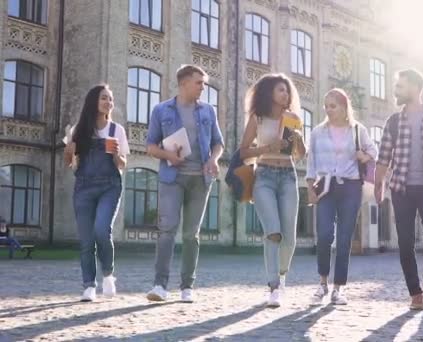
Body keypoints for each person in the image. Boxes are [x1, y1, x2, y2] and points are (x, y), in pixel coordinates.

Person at [374, 69, 423, 310]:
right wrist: (378, 185)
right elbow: (383, 157)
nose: (396, 90)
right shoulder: (394, 121)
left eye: (401, 86)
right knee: (406, 243)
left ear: (415, 88)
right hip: (401, 189)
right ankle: (415, 294)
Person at [145, 65, 224, 303]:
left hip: (200, 179)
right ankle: (160, 286)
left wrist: (213, 158)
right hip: (172, 178)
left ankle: (187, 286)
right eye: (199, 82)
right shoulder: (161, 110)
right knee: (167, 231)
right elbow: (150, 147)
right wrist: (169, 156)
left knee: (191, 235)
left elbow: (218, 143)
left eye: (204, 82)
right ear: (184, 83)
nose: (203, 87)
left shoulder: (208, 111)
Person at [239, 73, 306, 307]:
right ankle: (273, 287)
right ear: (269, 93)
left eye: (287, 90)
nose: (285, 94)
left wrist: (299, 141)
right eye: (280, 90)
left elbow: (300, 155)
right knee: (273, 232)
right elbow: (243, 151)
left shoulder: (293, 118)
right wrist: (267, 147)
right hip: (264, 177)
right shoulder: (258, 118)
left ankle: (282, 274)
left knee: (290, 238)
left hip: (288, 176)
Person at [306, 88, 377, 305]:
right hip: (326, 187)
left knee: (345, 239)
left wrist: (363, 155)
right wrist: (310, 187)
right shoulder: (318, 132)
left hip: (351, 187)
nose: (328, 110)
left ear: (344, 107)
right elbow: (311, 162)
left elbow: (374, 152)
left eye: (333, 106)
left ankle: (338, 289)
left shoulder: (358, 130)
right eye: (326, 106)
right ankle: (322, 285)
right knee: (325, 235)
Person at [64, 84, 130, 302]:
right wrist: (69, 151)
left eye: (110, 99)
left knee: (102, 230)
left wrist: (116, 155)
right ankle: (89, 286)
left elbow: (122, 164)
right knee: (86, 240)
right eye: (104, 98)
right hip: (83, 187)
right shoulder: (79, 130)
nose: (108, 103)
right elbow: (69, 164)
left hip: (109, 186)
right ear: (94, 101)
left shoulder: (116, 130)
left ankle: (108, 275)